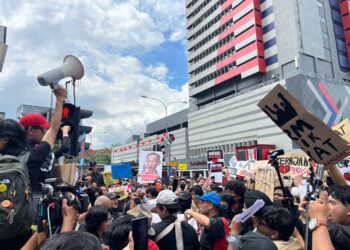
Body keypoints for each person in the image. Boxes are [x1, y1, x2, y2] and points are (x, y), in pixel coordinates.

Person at [19, 86, 68, 193]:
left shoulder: (8, 150)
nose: (46, 133)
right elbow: (54, 128)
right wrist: (60, 99)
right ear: (31, 130)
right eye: (43, 130)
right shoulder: (35, 154)